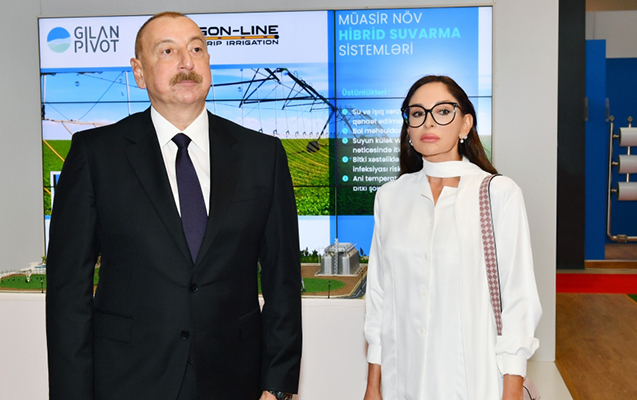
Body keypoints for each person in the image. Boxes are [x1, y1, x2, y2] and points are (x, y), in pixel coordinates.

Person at [46, 12, 301, 400]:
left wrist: (278, 384)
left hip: (236, 380)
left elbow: (284, 280)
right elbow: (68, 292)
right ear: (139, 71)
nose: (186, 62)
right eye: (168, 51)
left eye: (196, 49)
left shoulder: (262, 155)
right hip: (128, 381)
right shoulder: (95, 155)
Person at [363, 75, 542, 400]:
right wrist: (373, 387)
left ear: (465, 124)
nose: (428, 122)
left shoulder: (498, 193)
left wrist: (512, 391)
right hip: (403, 380)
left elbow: (519, 301)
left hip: (475, 380)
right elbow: (379, 299)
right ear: (408, 127)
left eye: (443, 111)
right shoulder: (390, 197)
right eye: (417, 113)